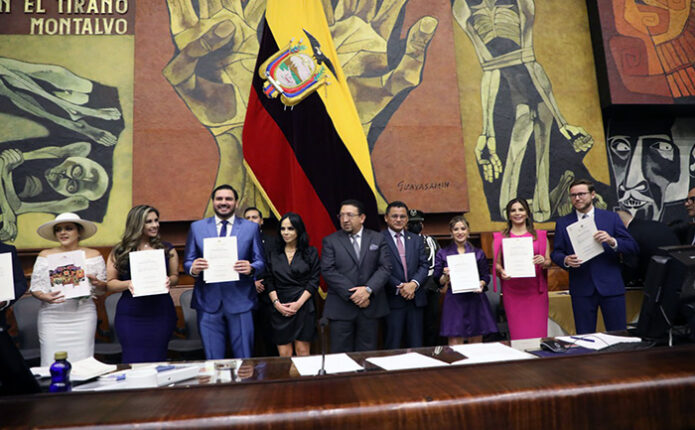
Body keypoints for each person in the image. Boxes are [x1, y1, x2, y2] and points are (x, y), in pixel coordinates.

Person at [183, 185, 265, 359]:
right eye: (219, 199)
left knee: (245, 360)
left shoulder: (250, 228)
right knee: (213, 361)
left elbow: (261, 262)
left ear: (236, 203)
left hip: (241, 300)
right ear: (213, 202)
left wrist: (251, 268)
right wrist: (193, 267)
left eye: (228, 199)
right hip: (208, 302)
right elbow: (188, 261)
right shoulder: (197, 228)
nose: (224, 203)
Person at [551, 179, 639, 334]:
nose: (577, 198)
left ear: (593, 195)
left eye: (581, 194)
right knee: (585, 337)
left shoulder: (610, 218)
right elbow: (556, 252)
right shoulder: (563, 223)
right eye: (573, 195)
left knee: (619, 335)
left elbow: (632, 246)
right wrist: (565, 260)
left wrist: (612, 241)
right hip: (581, 287)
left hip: (611, 286)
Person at [30, 212, 106, 366]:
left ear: (79, 232)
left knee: (83, 363)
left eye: (68, 228)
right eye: (58, 229)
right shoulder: (45, 255)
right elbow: (35, 288)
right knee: (52, 362)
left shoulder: (94, 255)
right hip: (52, 316)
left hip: (83, 315)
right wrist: (43, 297)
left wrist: (98, 283)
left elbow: (102, 290)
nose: (63, 232)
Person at [106, 205, 178, 363]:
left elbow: (175, 276)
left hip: (161, 312)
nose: (155, 225)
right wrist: (128, 283)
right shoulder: (119, 251)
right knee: (133, 361)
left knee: (158, 360)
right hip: (131, 315)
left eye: (156, 220)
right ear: (137, 224)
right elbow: (110, 284)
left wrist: (169, 280)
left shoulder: (167, 249)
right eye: (149, 222)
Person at [321, 199, 391, 353]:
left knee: (367, 356)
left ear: (362, 218)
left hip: (370, 307)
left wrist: (368, 290)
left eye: (350, 215)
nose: (345, 219)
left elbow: (385, 267)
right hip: (341, 308)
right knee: (340, 356)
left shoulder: (377, 238)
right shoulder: (330, 241)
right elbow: (328, 270)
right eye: (342, 215)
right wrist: (355, 294)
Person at [433, 215, 497, 345]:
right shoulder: (443, 253)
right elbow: (437, 279)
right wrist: (445, 276)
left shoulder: (478, 253)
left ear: (468, 231)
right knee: (455, 341)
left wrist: (481, 283)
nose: (460, 232)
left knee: (476, 341)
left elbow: (485, 276)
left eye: (463, 228)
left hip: (475, 298)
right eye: (456, 229)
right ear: (451, 232)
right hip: (454, 300)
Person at [492, 198, 550, 340]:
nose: (517, 213)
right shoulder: (500, 237)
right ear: (508, 214)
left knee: (538, 333)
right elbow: (497, 264)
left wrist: (543, 261)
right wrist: (502, 271)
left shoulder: (540, 236)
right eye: (513, 210)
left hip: (536, 292)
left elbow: (548, 261)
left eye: (521, 209)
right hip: (513, 292)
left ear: (527, 213)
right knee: (519, 334)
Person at [265, 212, 319, 357]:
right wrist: (277, 304)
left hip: (303, 306)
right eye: (283, 229)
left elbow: (314, 281)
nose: (286, 232)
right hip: (280, 306)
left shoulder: (310, 252)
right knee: (284, 354)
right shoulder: (272, 253)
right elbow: (268, 280)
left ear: (298, 230)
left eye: (290, 228)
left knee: (303, 352)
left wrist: (298, 304)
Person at [381, 201, 429, 349]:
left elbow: (424, 265)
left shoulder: (416, 239)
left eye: (402, 216)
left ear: (407, 219)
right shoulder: (378, 239)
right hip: (393, 301)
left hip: (415, 300)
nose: (398, 219)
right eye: (394, 216)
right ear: (386, 218)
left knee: (416, 346)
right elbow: (381, 268)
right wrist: (401, 287)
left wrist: (413, 284)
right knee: (392, 345)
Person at [244, 206, 277, 357]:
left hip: (267, 296)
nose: (251, 221)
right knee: (248, 339)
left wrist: (262, 283)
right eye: (247, 218)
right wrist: (251, 282)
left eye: (254, 217)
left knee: (270, 337)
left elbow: (275, 267)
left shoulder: (273, 242)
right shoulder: (236, 242)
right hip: (244, 296)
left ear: (261, 221)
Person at [616, 210, 679, 286]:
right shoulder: (658, 224)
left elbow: (631, 266)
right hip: (678, 275)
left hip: (656, 282)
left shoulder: (630, 234)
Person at [406, 209, 441, 346]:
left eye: (418, 223)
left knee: (431, 326)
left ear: (422, 225)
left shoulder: (431, 240)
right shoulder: (403, 241)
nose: (415, 226)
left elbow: (438, 261)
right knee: (413, 328)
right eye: (411, 223)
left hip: (431, 288)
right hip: (410, 290)